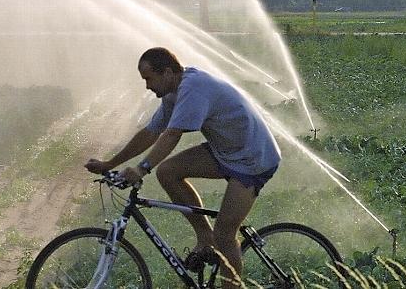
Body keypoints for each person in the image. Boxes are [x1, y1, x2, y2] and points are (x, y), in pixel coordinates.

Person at [85, 47, 281, 287]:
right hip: (226, 152)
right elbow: (151, 133)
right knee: (168, 172)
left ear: (167, 72)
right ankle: (204, 237)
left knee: (225, 235)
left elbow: (172, 134)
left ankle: (222, 259)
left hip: (253, 159)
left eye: (148, 78)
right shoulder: (172, 92)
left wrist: (141, 168)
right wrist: (110, 164)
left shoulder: (193, 88)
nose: (147, 86)